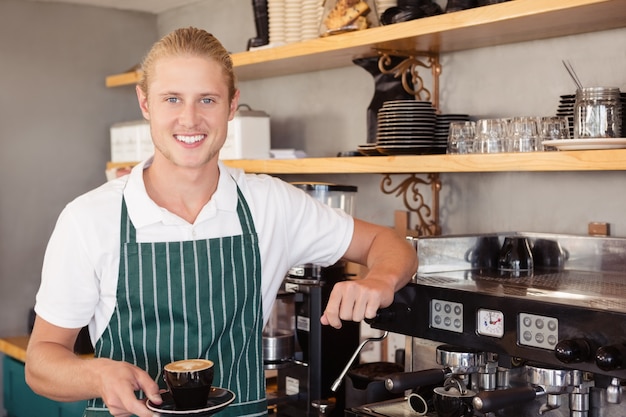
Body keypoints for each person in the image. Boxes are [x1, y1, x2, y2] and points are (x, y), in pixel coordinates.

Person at [25, 27, 418, 417]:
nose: (190, 119)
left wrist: (380, 279)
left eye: (207, 99)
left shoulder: (270, 204)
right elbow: (41, 364)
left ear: (232, 105)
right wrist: (97, 375)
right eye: (172, 98)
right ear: (145, 103)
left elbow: (387, 243)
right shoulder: (89, 218)